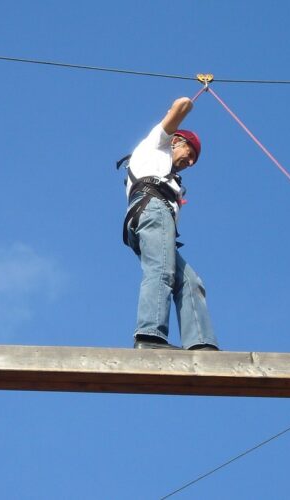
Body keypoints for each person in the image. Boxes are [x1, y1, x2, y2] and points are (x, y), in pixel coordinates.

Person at [122, 96, 219, 350]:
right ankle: (150, 336)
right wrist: (196, 96)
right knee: (161, 271)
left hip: (155, 217)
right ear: (176, 141)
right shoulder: (157, 145)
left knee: (190, 282)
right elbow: (182, 105)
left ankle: (201, 344)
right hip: (153, 210)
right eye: (190, 153)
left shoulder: (166, 171)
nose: (190, 162)